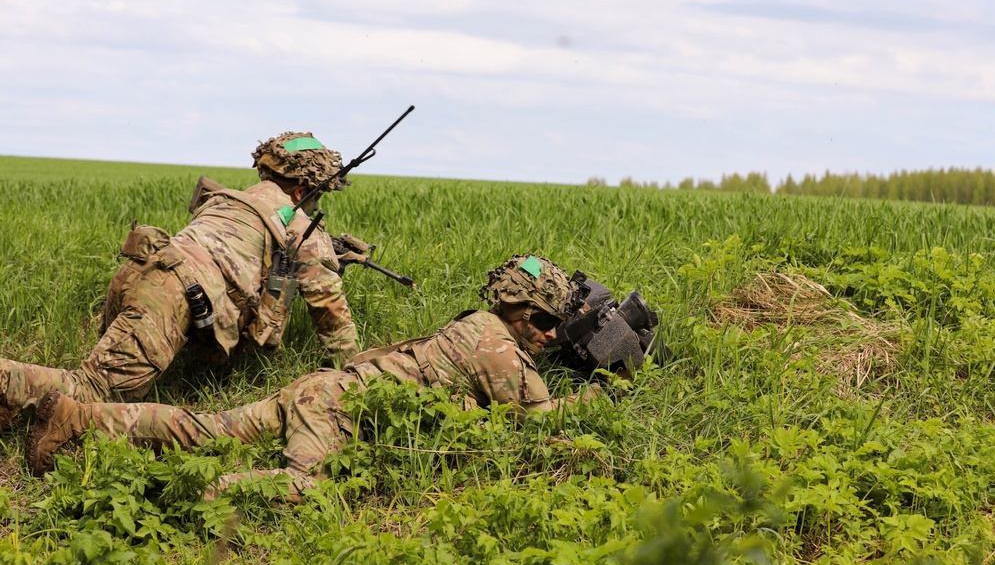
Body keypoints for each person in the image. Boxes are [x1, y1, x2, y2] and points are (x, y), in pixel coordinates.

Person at [27, 255, 597, 502]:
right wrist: (597, 397)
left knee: (208, 429)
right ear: (518, 309)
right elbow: (535, 430)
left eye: (555, 327)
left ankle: (77, 416)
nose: (548, 336)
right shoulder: (498, 348)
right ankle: (208, 496)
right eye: (543, 323)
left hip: (321, 388)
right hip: (333, 410)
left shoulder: (475, 325)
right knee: (308, 487)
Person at [0, 132, 360, 429]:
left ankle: (16, 406)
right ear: (301, 193)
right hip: (170, 296)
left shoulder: (225, 200)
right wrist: (353, 383)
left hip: (140, 270)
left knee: (96, 380)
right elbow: (330, 311)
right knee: (93, 393)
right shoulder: (300, 225)